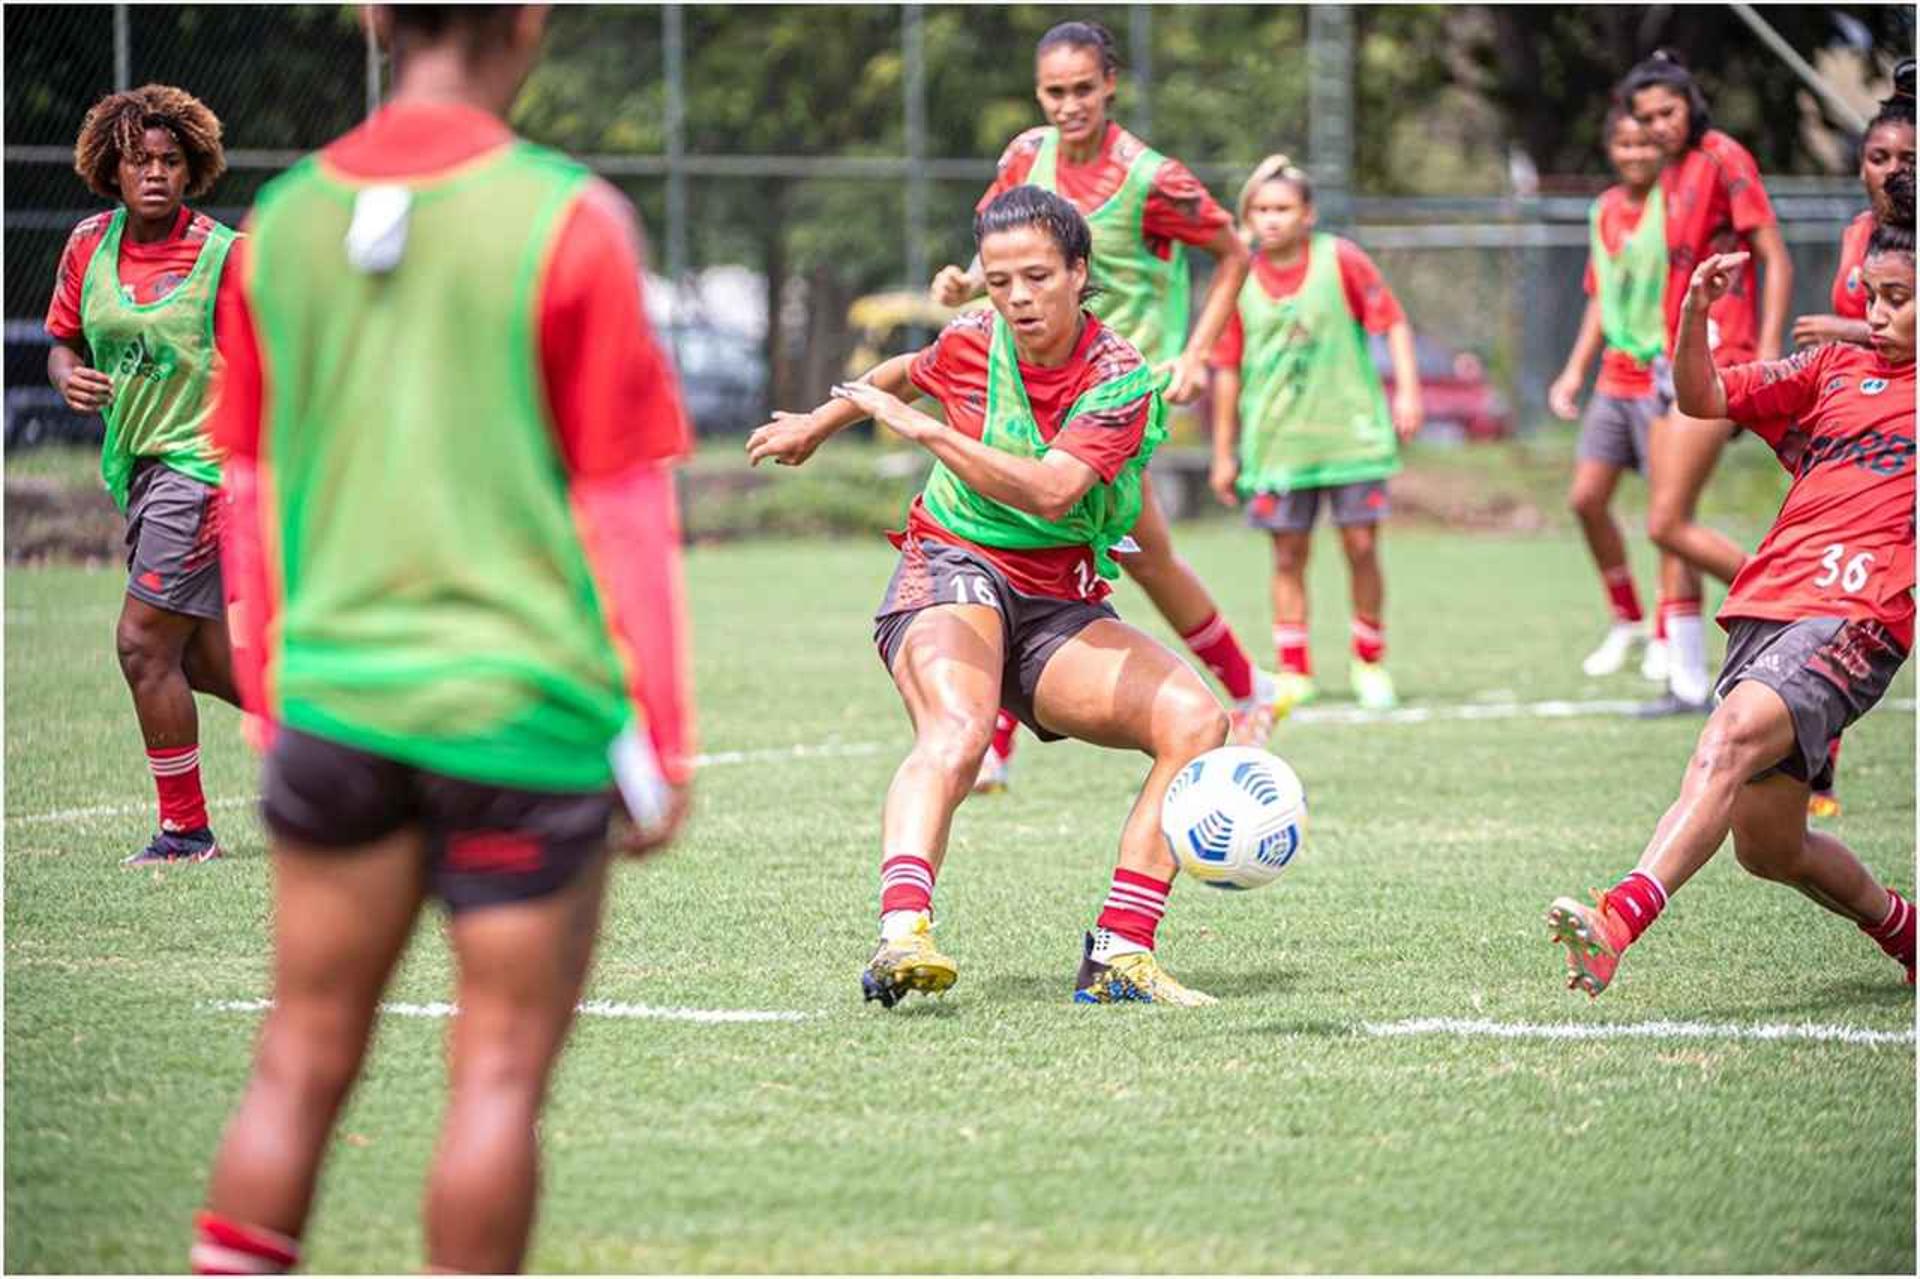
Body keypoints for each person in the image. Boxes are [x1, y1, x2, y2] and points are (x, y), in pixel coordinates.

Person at [192, 6, 694, 1273]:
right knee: (497, 1082)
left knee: (296, 1063)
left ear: (372, 15)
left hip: (335, 710)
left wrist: (274, 700)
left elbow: (245, 491)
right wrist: (664, 747)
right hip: (522, 721)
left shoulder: (281, 224)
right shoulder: (572, 218)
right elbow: (624, 501)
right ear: (527, 19)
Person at [751, 185, 1230, 1008]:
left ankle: (1121, 952)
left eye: (1038, 277)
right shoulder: (975, 336)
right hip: (950, 561)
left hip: (1056, 596)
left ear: (1080, 273)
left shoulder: (1120, 380)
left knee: (1196, 721)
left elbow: (1051, 493)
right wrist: (817, 423)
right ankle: (902, 934)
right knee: (961, 729)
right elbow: (907, 371)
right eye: (1000, 280)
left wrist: (930, 433)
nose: (1016, 297)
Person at [1546, 173, 1917, 999]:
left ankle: (1617, 921)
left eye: (1898, 298)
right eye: (1873, 295)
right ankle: (1910, 933)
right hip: (1772, 607)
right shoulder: (1833, 370)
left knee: (1724, 741)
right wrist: (1693, 314)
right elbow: (1702, 394)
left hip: (1855, 614)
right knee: (1770, 848)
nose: (1878, 313)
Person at [931, 19, 1268, 790]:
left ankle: (1239, 692)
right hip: (1030, 378)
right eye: (1055, 91)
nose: (1069, 105)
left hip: (1111, 394)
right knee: (1126, 551)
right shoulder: (1026, 156)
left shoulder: (1154, 178)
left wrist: (1193, 351)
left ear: (1111, 84)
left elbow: (1233, 251)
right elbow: (1005, 243)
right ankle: (1248, 688)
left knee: (1060, 532)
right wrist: (963, 279)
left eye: (1084, 89)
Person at [45, 84, 241, 866]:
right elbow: (62, 340)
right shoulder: (87, 245)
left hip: (202, 469)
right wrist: (66, 376)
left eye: (170, 160)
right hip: (142, 469)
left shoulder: (225, 256)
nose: (155, 173)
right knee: (195, 658)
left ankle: (186, 831)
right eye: (138, 160)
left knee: (139, 642)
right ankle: (356, 740)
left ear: (192, 171)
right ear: (111, 169)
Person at [1206, 155, 1423, 711]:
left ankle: (1369, 660)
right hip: (1277, 445)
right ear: (1248, 218)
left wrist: (1408, 392)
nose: (1272, 219)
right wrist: (1224, 452)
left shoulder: (1341, 260)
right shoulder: (1239, 277)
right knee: (1287, 555)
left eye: (1283, 208)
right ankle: (1294, 669)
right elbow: (1226, 369)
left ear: (1308, 214)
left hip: (1352, 437)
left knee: (1361, 545)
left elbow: (1392, 321)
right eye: (1261, 210)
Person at [1621, 50, 1793, 716]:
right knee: (1668, 524)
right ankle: (1688, 681)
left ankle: (1780, 610)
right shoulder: (1673, 173)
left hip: (1727, 360)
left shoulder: (1723, 156)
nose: (1660, 125)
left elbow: (1771, 256)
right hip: (1677, 361)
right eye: (1646, 117)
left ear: (1692, 101)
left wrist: (1769, 353)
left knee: (1666, 520)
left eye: (1668, 111)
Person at [1788, 60, 1913, 818]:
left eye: (1907, 160)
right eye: (1878, 157)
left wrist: (1842, 330)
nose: (1890, 171)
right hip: (1857, 443)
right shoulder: (1856, 237)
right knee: (1830, 597)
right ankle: (1817, 760)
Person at [1548, 107, 1684, 684]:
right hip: (1614, 375)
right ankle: (1626, 617)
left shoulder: (1678, 205)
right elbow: (1600, 297)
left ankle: (1666, 631)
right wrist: (1573, 372)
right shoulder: (1601, 210)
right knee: (1586, 499)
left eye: (1645, 143)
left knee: (1667, 514)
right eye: (1624, 143)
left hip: (1663, 377)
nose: (1635, 153)